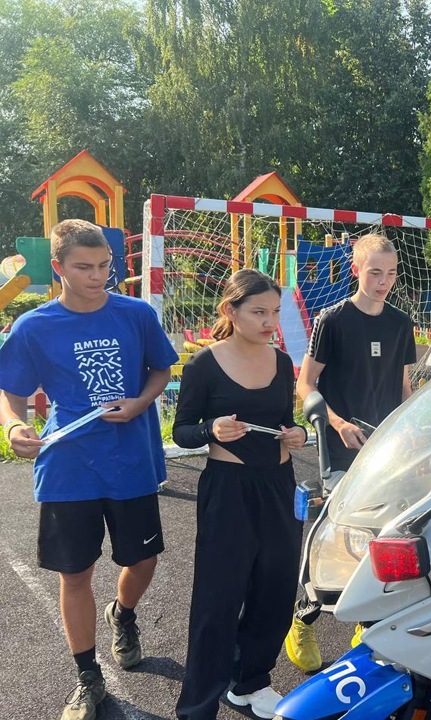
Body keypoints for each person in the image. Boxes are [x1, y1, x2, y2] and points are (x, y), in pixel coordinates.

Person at [0, 219, 178, 720]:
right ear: (57, 268)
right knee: (75, 573)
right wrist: (14, 427)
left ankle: (123, 614)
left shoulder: (136, 314)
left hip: (131, 464)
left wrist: (142, 401)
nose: (98, 275)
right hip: (67, 469)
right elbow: (9, 391)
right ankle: (88, 678)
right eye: (84, 267)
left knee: (142, 563)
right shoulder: (35, 326)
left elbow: (161, 368)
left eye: (105, 265)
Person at [172, 269, 307, 720]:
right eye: (259, 312)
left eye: (274, 312)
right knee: (218, 600)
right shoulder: (203, 365)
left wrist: (298, 434)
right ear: (231, 310)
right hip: (228, 492)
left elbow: (286, 419)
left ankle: (251, 681)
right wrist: (211, 428)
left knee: (276, 588)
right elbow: (183, 431)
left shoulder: (283, 362)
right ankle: (197, 707)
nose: (270, 322)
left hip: (279, 489)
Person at [285, 233, 417, 672]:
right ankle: (303, 617)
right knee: (332, 536)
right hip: (342, 449)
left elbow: (403, 387)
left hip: (388, 451)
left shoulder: (400, 322)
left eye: (391, 273)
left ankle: (365, 622)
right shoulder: (333, 320)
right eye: (375, 272)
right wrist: (337, 423)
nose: (384, 281)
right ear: (356, 270)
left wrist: (414, 429)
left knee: (385, 536)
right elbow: (306, 384)